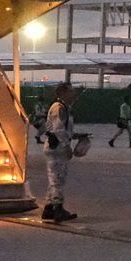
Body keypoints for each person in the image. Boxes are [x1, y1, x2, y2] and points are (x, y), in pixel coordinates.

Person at [41, 83, 82, 222]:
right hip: (56, 148)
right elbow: (58, 129)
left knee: (55, 178)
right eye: (70, 91)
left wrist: (77, 136)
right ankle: (58, 209)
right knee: (57, 180)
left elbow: (64, 129)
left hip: (56, 146)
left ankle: (49, 208)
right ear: (63, 92)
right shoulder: (59, 108)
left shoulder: (64, 107)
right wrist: (66, 146)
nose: (73, 94)